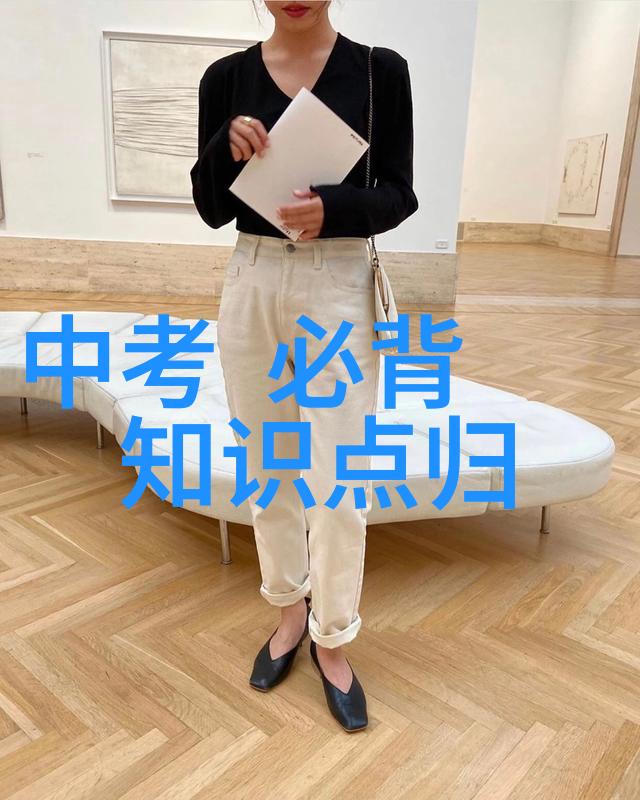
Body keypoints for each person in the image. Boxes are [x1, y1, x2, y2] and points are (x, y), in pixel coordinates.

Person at [190, 0, 418, 732]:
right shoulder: (226, 78)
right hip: (253, 275)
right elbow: (209, 207)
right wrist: (223, 149)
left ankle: (334, 637)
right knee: (269, 464)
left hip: (337, 280)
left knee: (339, 476)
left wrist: (335, 209)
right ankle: (289, 613)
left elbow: (400, 193)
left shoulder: (379, 72)